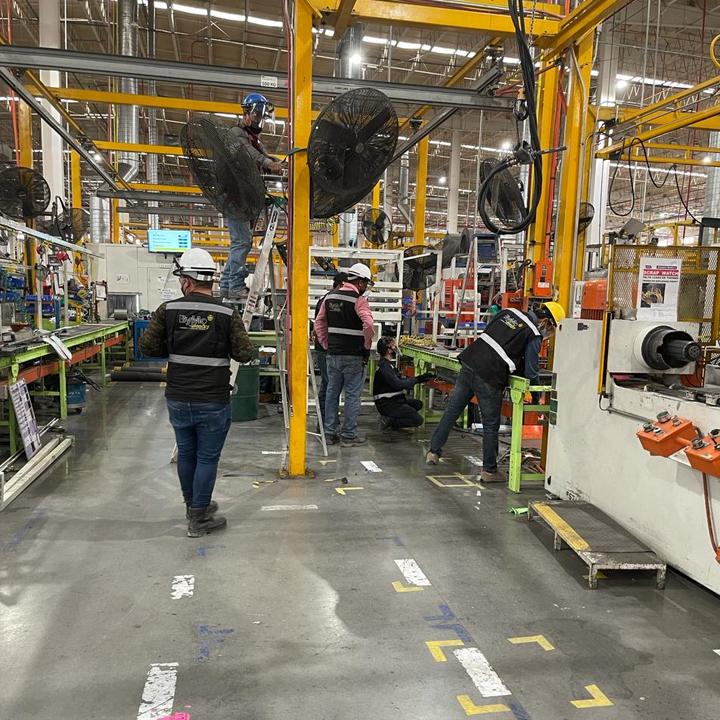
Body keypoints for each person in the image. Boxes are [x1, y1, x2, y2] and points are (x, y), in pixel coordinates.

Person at [140, 248, 255, 537]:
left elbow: (147, 347)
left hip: (179, 396)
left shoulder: (168, 311)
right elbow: (244, 353)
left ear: (187, 281)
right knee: (207, 458)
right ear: (210, 280)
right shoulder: (227, 313)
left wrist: (175, 345)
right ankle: (199, 517)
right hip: (213, 398)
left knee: (187, 453)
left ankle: (193, 506)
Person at [425, 302, 565, 482]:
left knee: (452, 411)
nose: (549, 333)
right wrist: (537, 398)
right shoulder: (533, 334)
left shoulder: (509, 312)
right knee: (491, 425)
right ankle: (489, 471)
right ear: (546, 321)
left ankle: (433, 452)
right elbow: (531, 372)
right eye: (551, 328)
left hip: (470, 362)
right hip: (489, 375)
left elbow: (494, 340)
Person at [220, 92, 284, 301]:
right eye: (256, 115)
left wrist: (277, 162)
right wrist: (268, 164)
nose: (258, 120)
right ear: (246, 113)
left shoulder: (253, 138)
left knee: (240, 242)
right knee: (242, 242)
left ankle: (227, 285)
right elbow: (247, 153)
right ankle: (234, 285)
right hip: (236, 197)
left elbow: (263, 155)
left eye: (261, 116)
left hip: (243, 198)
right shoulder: (236, 134)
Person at [314, 263, 375, 447]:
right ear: (360, 282)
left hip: (333, 354)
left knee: (332, 393)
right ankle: (348, 436)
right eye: (366, 283)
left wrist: (326, 344)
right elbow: (369, 324)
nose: (365, 287)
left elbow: (319, 323)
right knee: (352, 396)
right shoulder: (359, 301)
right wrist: (366, 346)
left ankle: (330, 433)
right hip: (354, 356)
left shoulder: (329, 298)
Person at [373, 336, 435, 431]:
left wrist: (419, 379)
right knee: (418, 420)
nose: (396, 348)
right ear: (389, 350)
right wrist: (416, 380)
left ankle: (393, 417)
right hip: (387, 404)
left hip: (394, 400)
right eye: (394, 346)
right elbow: (398, 384)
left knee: (418, 404)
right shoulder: (385, 367)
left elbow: (399, 382)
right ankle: (389, 421)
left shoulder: (388, 365)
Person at [312, 271, 348, 426]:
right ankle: (328, 421)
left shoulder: (326, 298)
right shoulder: (331, 300)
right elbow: (321, 325)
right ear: (341, 284)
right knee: (332, 386)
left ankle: (325, 419)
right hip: (327, 349)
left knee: (328, 384)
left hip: (325, 348)